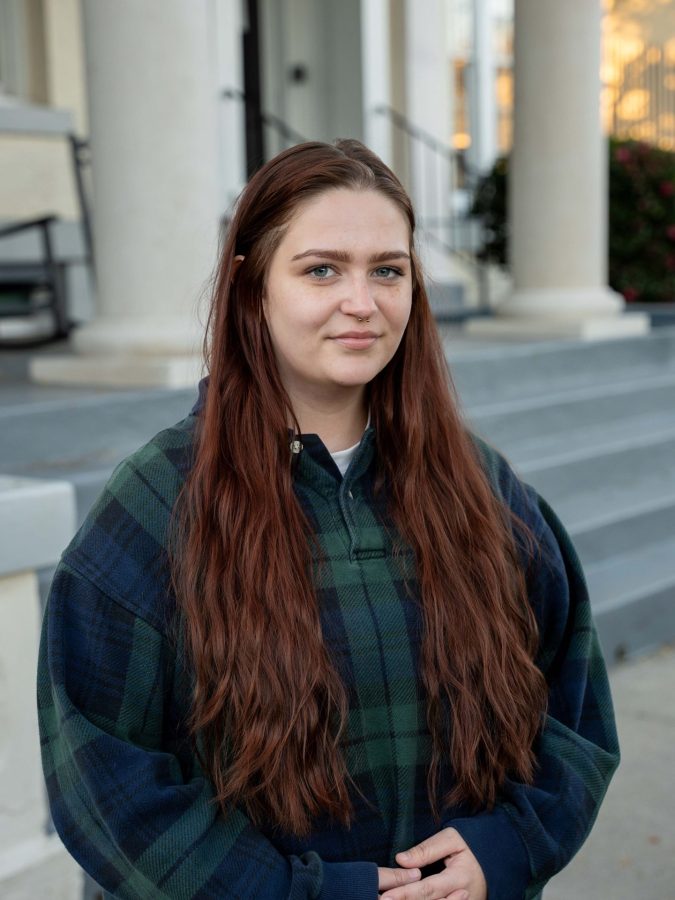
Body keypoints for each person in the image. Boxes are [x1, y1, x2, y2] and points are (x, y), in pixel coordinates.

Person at [37, 139, 619, 900]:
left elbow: (572, 705)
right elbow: (104, 785)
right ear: (252, 288)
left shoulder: (482, 488)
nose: (362, 302)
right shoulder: (156, 507)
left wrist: (511, 843)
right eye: (321, 270)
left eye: (387, 270)